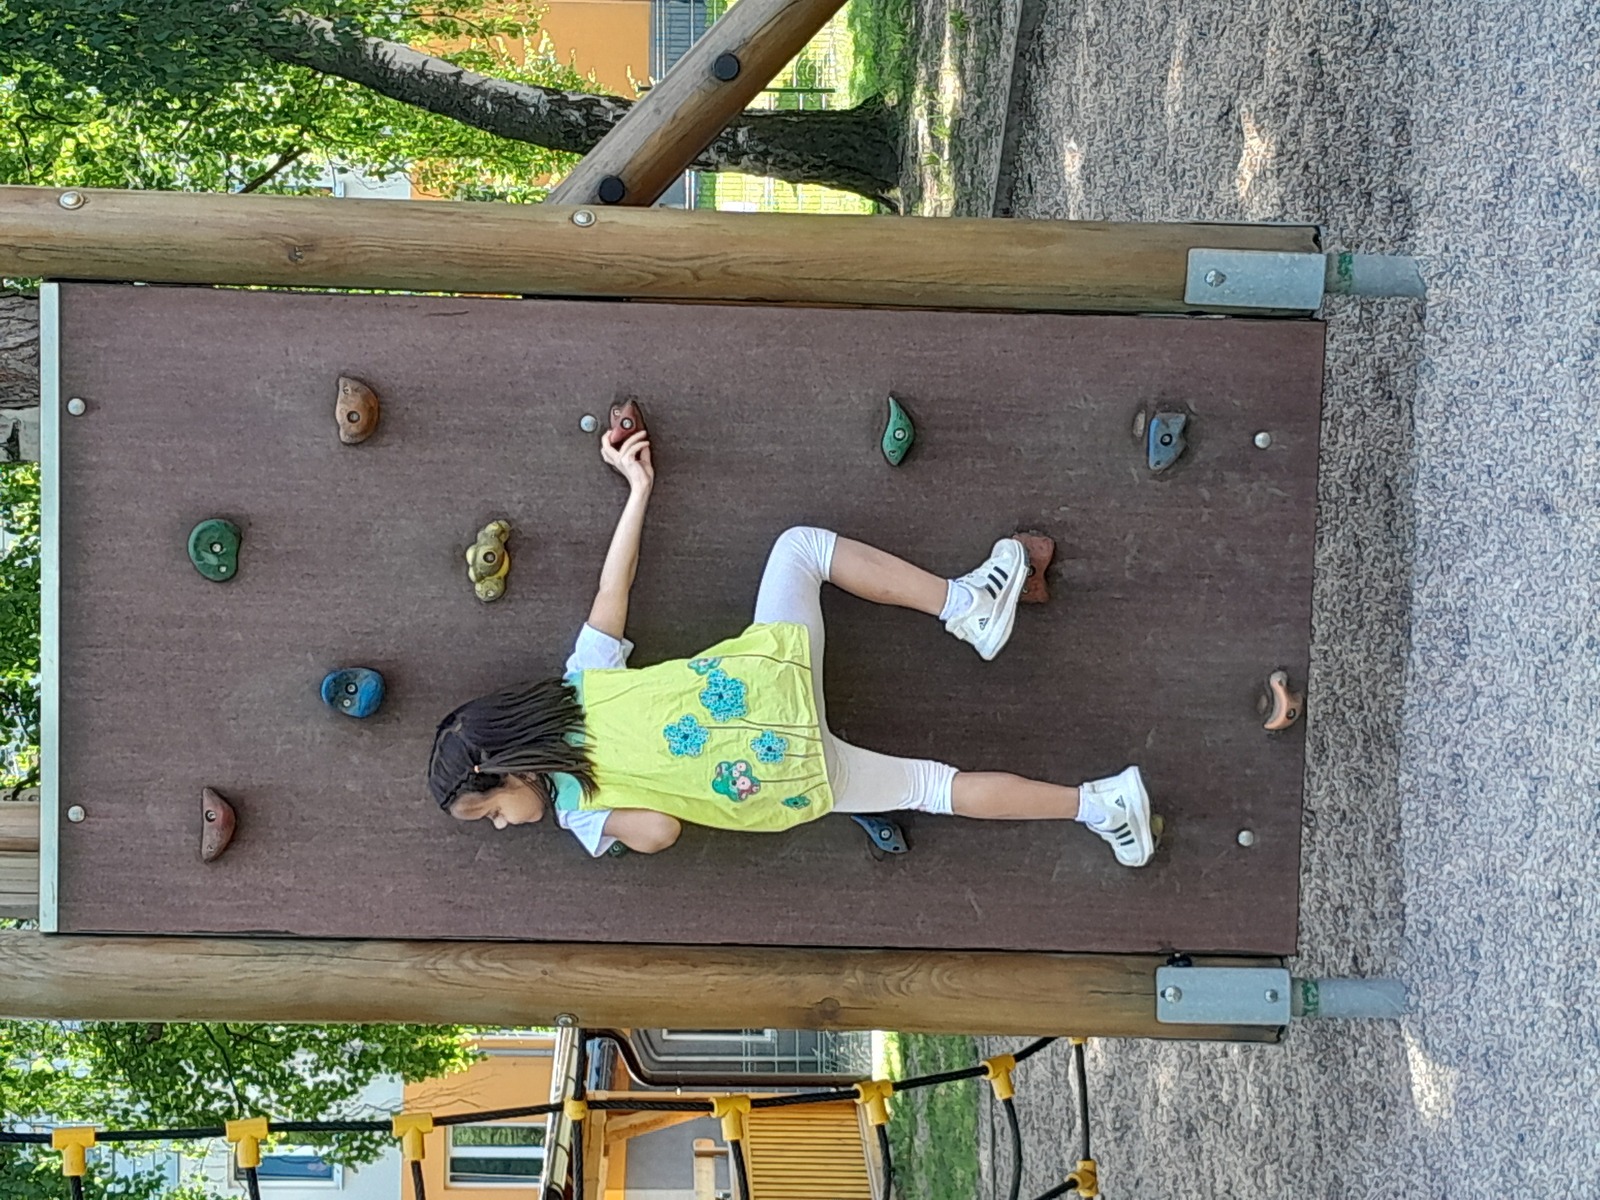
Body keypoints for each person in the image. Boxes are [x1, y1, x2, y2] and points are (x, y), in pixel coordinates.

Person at [428, 429, 1156, 868]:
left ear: (504, 770)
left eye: (491, 813)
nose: (504, 825)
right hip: (773, 681)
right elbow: (611, 588)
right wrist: (637, 487)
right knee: (800, 550)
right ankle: (965, 607)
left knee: (935, 789)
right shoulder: (578, 685)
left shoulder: (580, 813)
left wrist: (602, 818)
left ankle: (1100, 805)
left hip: (791, 778)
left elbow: (660, 831)